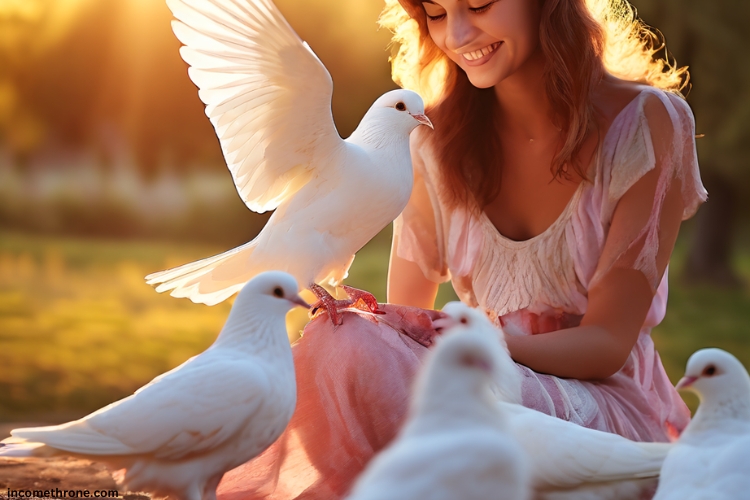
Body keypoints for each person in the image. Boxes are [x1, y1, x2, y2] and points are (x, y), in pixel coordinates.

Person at [217, 0, 707, 498]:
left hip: (597, 409)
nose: (459, 33)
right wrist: (401, 337)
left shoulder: (648, 123)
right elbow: (405, 319)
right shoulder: (429, 142)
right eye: (435, 13)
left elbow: (606, 345)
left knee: (465, 423)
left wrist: (478, 344)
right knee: (348, 342)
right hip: (481, 385)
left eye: (479, 4)